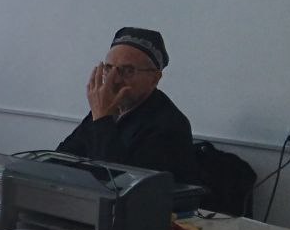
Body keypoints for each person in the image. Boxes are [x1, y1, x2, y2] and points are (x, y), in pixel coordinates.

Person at [57, 27, 201, 185]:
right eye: (108, 68)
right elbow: (60, 159)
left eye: (128, 71)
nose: (114, 80)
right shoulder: (108, 109)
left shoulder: (168, 125)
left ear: (154, 78)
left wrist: (102, 120)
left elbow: (116, 183)